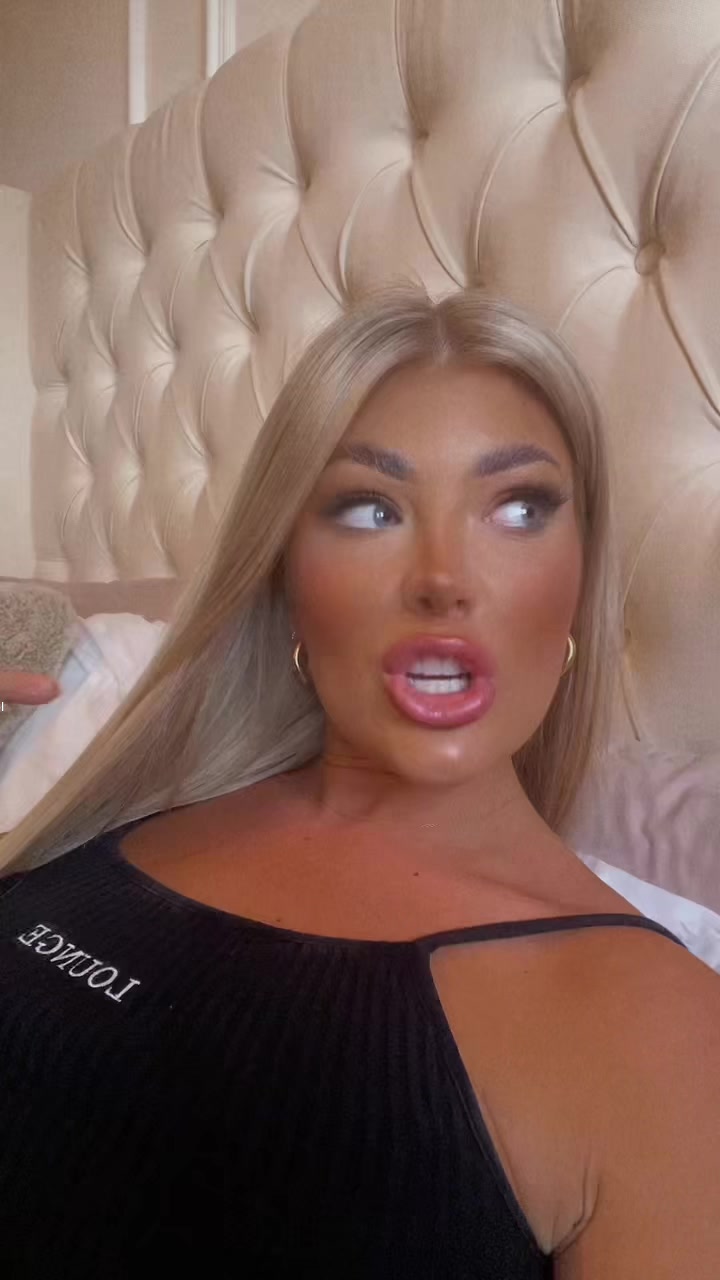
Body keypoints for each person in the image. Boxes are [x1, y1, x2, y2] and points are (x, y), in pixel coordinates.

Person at [0, 287, 718, 1278]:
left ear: (580, 577)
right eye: (370, 508)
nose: (442, 579)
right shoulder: (131, 799)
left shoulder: (666, 1033)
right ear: (287, 573)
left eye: (518, 508)